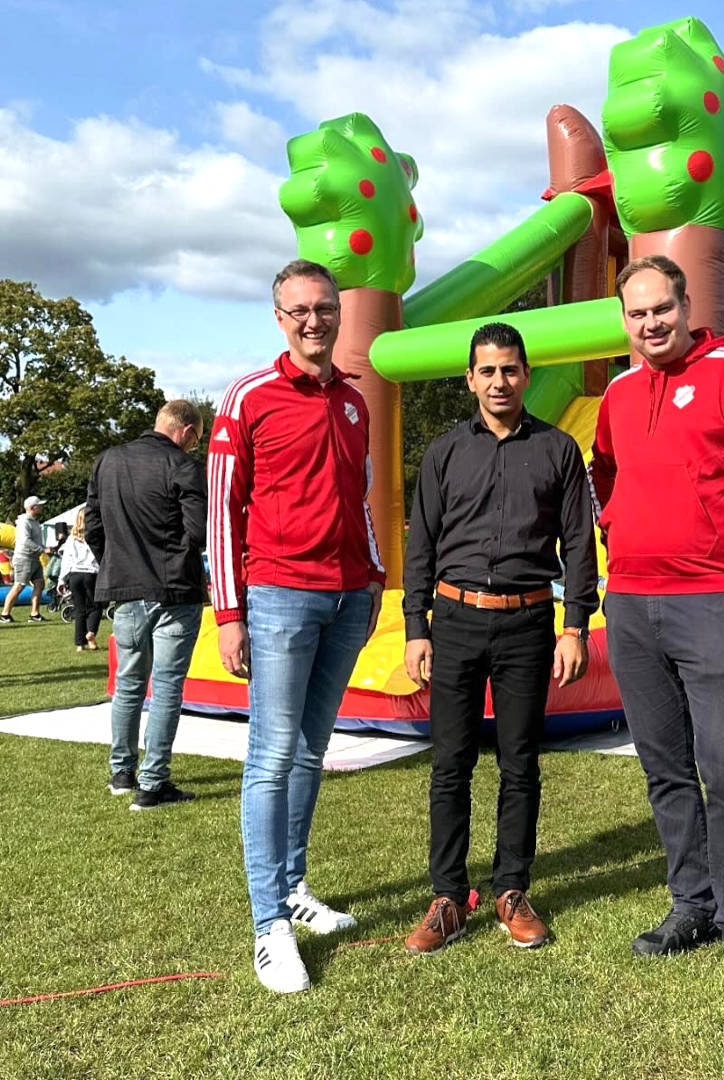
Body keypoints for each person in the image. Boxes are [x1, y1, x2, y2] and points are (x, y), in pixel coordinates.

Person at [588, 255, 724, 991]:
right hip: (634, 605)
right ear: (626, 321)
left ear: (685, 304)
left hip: (716, 600)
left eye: (661, 309)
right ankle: (692, 903)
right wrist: (615, 530)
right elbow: (601, 471)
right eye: (637, 314)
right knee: (665, 766)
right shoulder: (616, 392)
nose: (651, 324)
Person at [207, 258, 385, 995]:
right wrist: (228, 613)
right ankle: (267, 925)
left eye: (325, 307)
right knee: (272, 755)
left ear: (339, 312)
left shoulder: (353, 401)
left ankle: (293, 888)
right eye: (300, 309)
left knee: (311, 752)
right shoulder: (248, 397)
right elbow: (221, 510)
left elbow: (360, 497)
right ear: (280, 317)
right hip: (279, 595)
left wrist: (372, 577)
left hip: (348, 598)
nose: (315, 319)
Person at [401, 321, 598, 956]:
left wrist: (575, 625)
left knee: (520, 764)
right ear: (469, 379)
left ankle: (512, 891)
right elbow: (420, 546)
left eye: (509, 369)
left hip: (529, 623)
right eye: (486, 370)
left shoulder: (560, 450)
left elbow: (578, 543)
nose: (499, 381)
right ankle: (448, 898)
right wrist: (415, 628)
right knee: (449, 763)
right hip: (454, 622)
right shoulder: (444, 452)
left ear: (526, 374)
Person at [85, 400, 207, 810]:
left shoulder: (107, 462)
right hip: (174, 590)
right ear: (187, 431)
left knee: (129, 685)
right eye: (196, 439)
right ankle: (153, 783)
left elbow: (94, 526)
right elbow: (197, 531)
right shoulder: (183, 466)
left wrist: (116, 566)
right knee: (167, 688)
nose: (195, 446)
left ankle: (122, 772)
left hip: (125, 590)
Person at [0, 496, 52, 624]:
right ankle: (5, 614)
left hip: (34, 558)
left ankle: (34, 614)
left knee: (39, 583)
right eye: (39, 505)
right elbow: (25, 541)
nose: (42, 507)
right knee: (19, 585)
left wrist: (42, 549)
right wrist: (42, 550)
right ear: (32, 508)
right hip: (24, 558)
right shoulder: (24, 522)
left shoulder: (34, 521)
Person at [58, 507, 102, 651]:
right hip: (91, 573)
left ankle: (79, 644)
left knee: (79, 609)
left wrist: (61, 580)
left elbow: (66, 561)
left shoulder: (71, 539)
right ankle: (91, 633)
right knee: (95, 606)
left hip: (74, 574)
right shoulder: (96, 537)